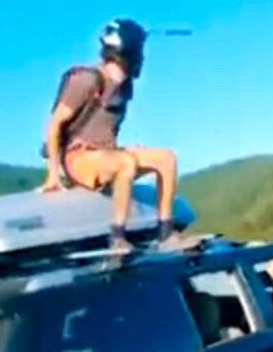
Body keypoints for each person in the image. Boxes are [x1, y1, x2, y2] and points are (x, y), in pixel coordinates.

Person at [39, 18, 187, 252]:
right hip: (78, 157)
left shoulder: (125, 86)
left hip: (106, 153)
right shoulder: (87, 80)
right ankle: (117, 238)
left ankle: (166, 233)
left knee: (166, 158)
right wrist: (53, 175)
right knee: (125, 163)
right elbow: (55, 124)